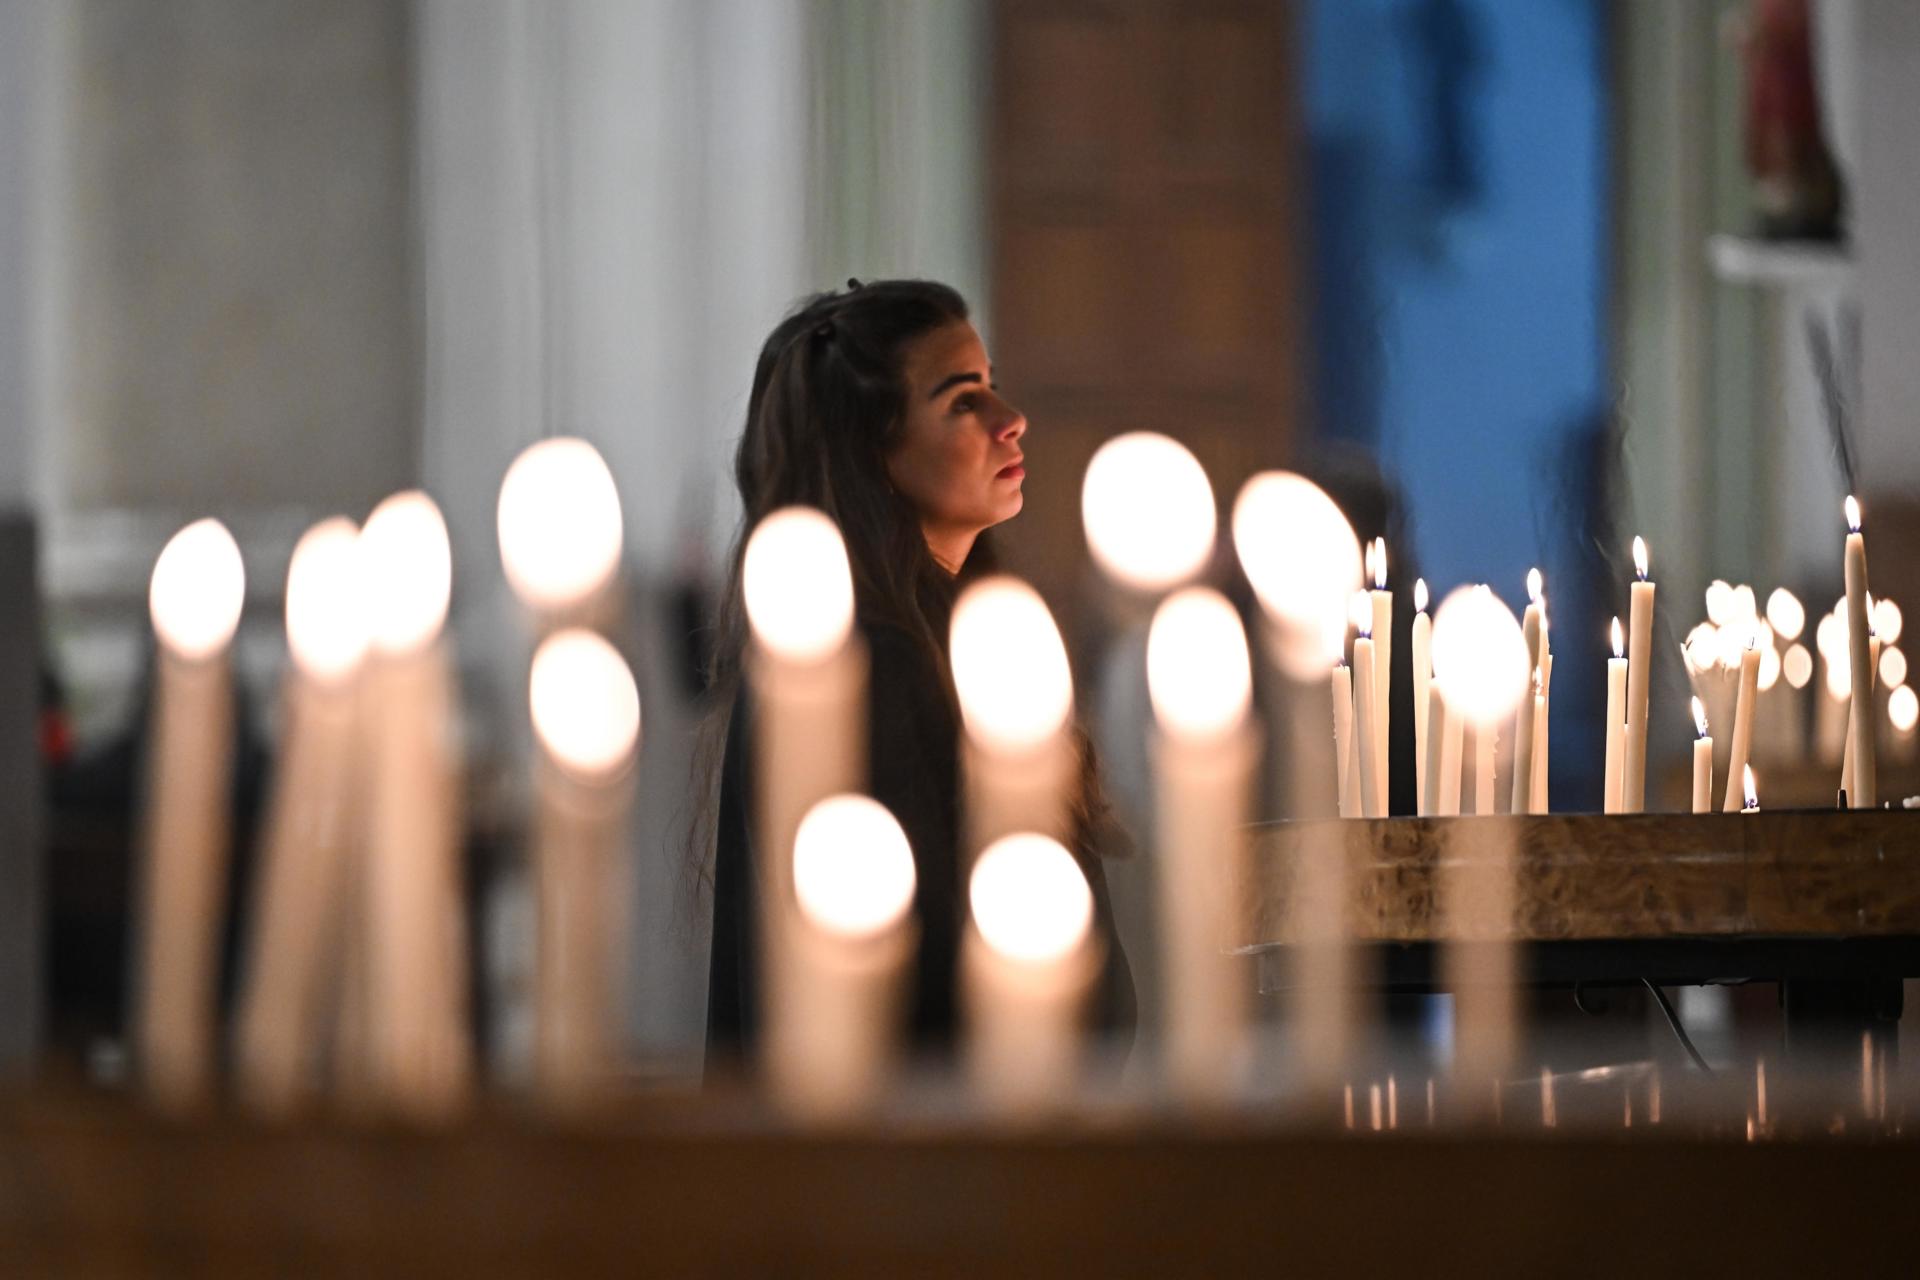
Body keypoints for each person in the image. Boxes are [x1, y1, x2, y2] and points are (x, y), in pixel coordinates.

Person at [698, 278, 1132, 1065]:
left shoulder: (942, 638)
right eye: (965, 401)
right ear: (875, 448)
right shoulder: (867, 666)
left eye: (992, 387)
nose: (1012, 420)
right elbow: (923, 984)